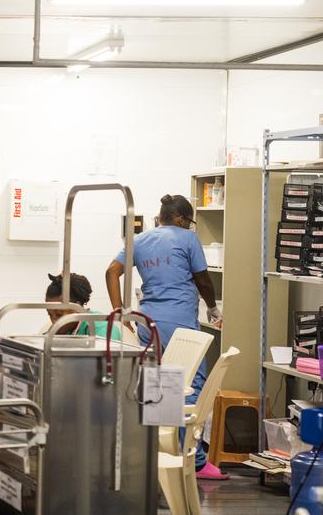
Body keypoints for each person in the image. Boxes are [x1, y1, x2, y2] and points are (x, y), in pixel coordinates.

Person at [105, 193, 227, 480]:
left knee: (160, 387)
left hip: (148, 323)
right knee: (189, 387)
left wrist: (121, 313)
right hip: (181, 326)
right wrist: (212, 307)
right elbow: (203, 279)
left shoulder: (140, 240)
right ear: (183, 218)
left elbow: (112, 272)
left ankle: (159, 457)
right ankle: (194, 462)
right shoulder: (187, 239)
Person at [43, 272, 123, 341]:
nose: (53, 321)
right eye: (50, 315)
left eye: (59, 315)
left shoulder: (102, 327)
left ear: (77, 307)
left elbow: (106, 356)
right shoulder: (60, 331)